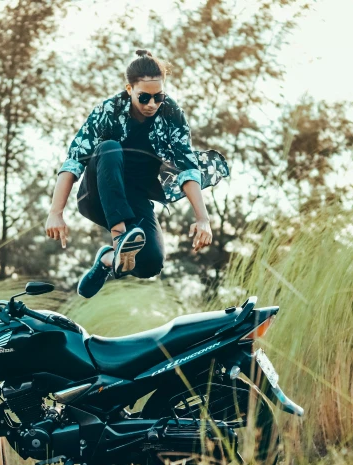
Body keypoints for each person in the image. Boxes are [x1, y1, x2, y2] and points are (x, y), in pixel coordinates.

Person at [45, 49, 230, 298]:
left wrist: (202, 219)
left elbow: (187, 167)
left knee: (151, 263)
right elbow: (73, 162)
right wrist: (56, 212)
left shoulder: (171, 114)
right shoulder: (108, 110)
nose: (152, 104)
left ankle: (108, 260)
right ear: (129, 88)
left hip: (134, 198)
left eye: (158, 97)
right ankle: (118, 237)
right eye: (144, 98)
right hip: (96, 195)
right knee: (109, 148)